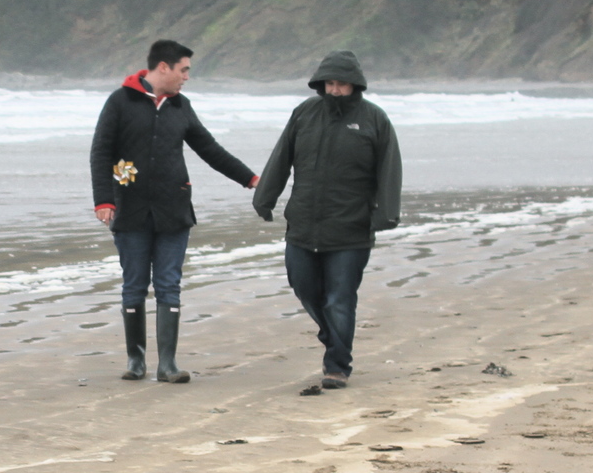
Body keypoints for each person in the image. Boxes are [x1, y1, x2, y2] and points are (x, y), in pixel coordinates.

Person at [88, 38, 259, 383]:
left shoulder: (181, 107)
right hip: (130, 210)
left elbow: (210, 149)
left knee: (169, 284)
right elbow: (100, 152)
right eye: (184, 70)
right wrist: (104, 200)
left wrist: (251, 178)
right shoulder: (120, 102)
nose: (186, 77)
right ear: (163, 67)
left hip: (174, 211)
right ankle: (136, 361)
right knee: (134, 285)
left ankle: (167, 364)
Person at [253, 50, 402, 393]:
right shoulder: (305, 114)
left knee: (339, 298)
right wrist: (265, 198)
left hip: (350, 229)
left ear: (355, 86)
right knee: (304, 285)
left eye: (342, 84)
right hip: (303, 224)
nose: (335, 90)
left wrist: (386, 214)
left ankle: (337, 365)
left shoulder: (373, 120)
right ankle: (334, 333)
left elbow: (389, 169)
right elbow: (281, 159)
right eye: (330, 83)